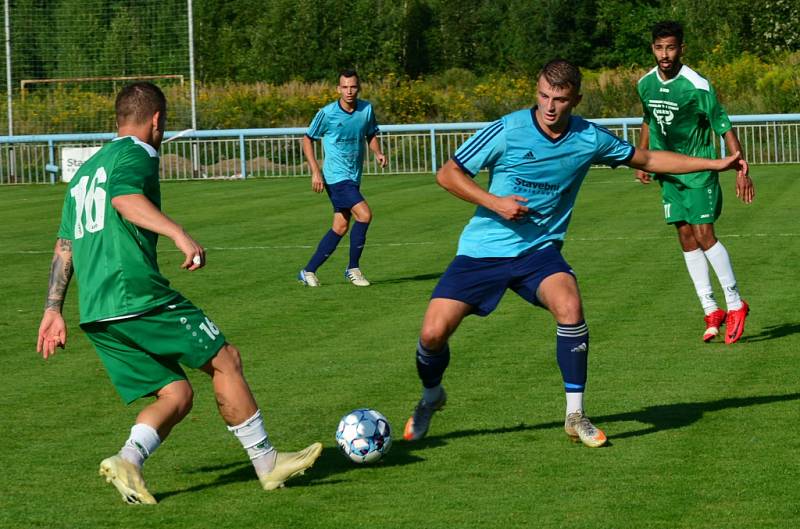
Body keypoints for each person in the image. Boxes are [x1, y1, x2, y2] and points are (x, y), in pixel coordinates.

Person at [402, 59, 745, 448]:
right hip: (483, 251)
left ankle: (575, 415)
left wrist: (715, 162)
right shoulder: (508, 129)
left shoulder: (588, 138)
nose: (549, 107)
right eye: (544, 96)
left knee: (570, 307)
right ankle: (432, 397)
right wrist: (495, 202)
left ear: (576, 99)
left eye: (560, 99)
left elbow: (647, 159)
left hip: (538, 251)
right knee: (432, 335)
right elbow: (447, 173)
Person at [36, 82, 322, 505]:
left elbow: (66, 245)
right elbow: (125, 199)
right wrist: (179, 234)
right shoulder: (137, 154)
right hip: (134, 294)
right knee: (227, 360)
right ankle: (267, 463)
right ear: (156, 120)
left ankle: (128, 460)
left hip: (96, 310)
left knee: (177, 393)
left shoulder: (83, 173)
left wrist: (52, 309)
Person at [636, 20, 754, 344]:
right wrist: (642, 157)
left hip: (699, 170)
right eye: (659, 48)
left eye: (671, 47)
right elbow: (648, 119)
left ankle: (735, 303)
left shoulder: (697, 85)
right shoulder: (645, 84)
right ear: (653, 49)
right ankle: (710, 308)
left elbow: (723, 125)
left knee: (705, 235)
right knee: (685, 237)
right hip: (667, 172)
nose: (665, 54)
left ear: (681, 49)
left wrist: (742, 169)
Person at [298, 69, 388, 287]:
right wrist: (315, 171)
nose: (349, 91)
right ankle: (353, 268)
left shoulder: (366, 109)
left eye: (353, 86)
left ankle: (308, 270)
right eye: (344, 87)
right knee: (364, 215)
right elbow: (307, 139)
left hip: (353, 175)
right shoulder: (327, 113)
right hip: (335, 176)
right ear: (338, 89)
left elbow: (371, 133)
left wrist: (377, 152)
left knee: (340, 226)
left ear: (359, 88)